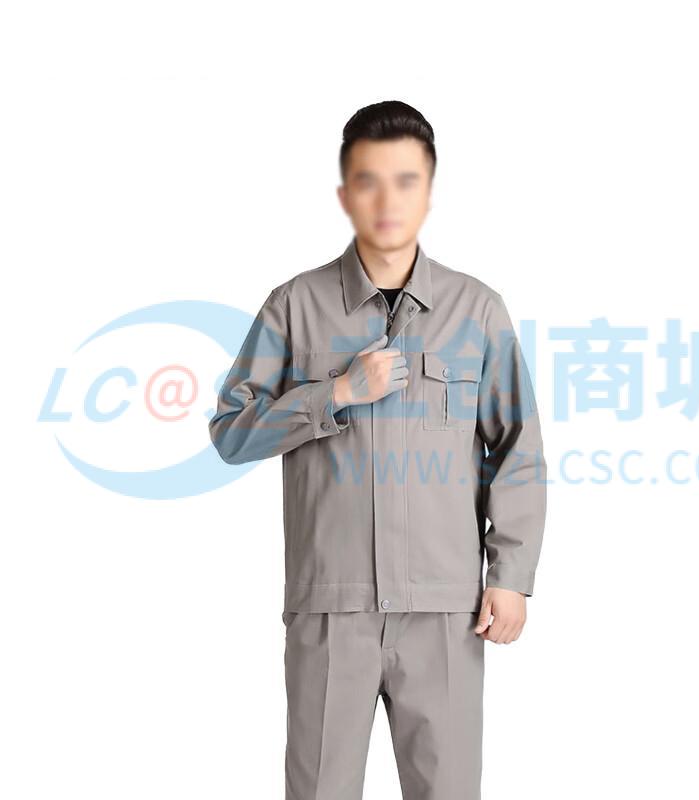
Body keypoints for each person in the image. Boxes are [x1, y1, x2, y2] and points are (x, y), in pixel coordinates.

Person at [209, 99, 547, 800]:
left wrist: (510, 574)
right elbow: (232, 433)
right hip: (331, 609)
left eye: (406, 180)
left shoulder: (478, 310)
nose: (388, 200)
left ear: (429, 191)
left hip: (445, 610)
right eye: (368, 181)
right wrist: (333, 393)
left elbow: (518, 447)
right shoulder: (294, 306)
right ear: (344, 194)